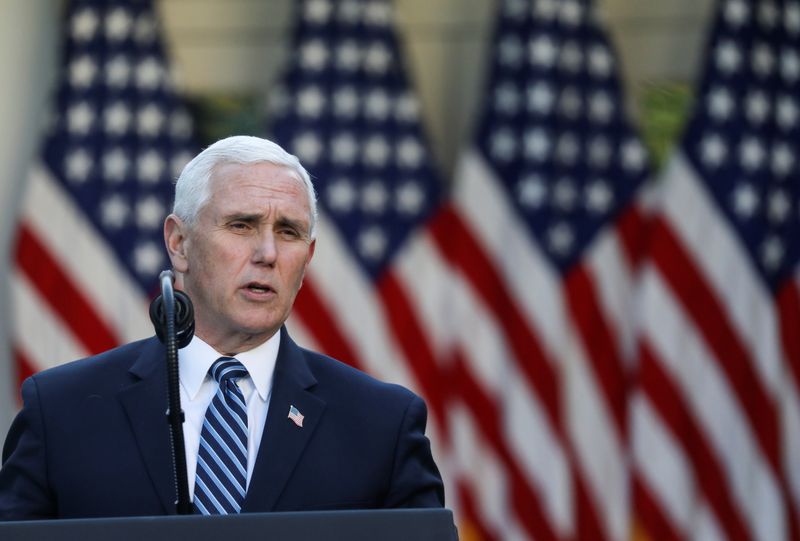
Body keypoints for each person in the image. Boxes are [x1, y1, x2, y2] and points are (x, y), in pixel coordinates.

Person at [0, 136, 444, 519]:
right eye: (242, 225)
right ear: (179, 243)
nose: (268, 253)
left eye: (288, 232)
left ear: (307, 260)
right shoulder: (61, 412)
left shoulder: (381, 426)